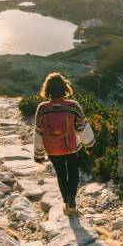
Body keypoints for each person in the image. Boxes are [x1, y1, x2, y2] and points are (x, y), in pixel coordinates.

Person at [33, 72, 95, 215]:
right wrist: (89, 145)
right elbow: (82, 127)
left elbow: (38, 132)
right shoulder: (73, 106)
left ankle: (66, 203)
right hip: (71, 147)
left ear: (47, 89)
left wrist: (38, 153)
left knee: (61, 174)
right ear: (64, 88)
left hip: (52, 150)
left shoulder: (42, 109)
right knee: (73, 172)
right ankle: (72, 202)